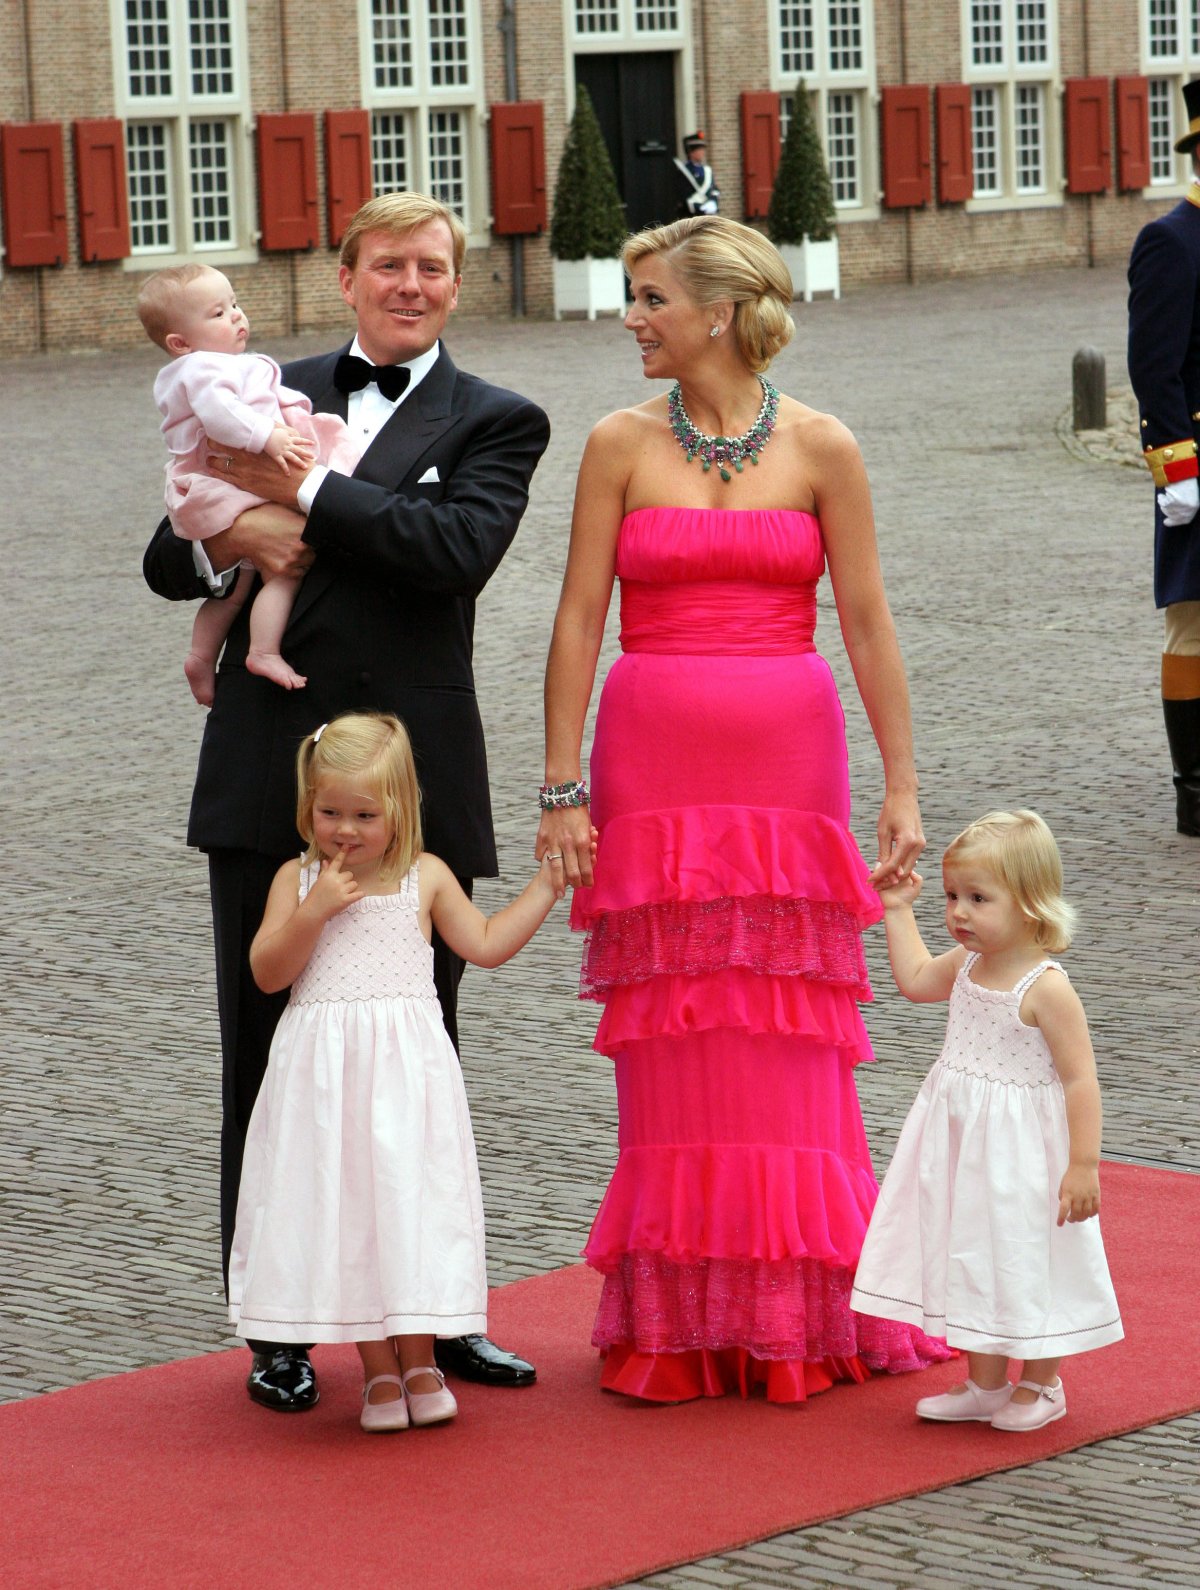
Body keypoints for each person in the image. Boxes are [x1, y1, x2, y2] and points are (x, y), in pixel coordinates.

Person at [143, 191, 551, 1412]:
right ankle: (277, 1328)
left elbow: (451, 552)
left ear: (455, 284)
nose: (409, 285)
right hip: (270, 772)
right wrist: (240, 542)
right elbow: (169, 554)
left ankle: (435, 1313)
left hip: (414, 784)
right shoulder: (256, 380)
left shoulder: (499, 419)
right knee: (261, 1054)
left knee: (419, 1055)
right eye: (388, 266)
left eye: (432, 267)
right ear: (346, 275)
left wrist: (302, 495)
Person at [538, 214, 950, 1402]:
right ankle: (679, 1324)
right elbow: (576, 620)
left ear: (715, 312)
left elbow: (869, 624)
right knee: (673, 1036)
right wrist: (563, 788)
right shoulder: (617, 442)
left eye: (650, 298)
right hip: (651, 770)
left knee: (785, 1030)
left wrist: (902, 786)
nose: (631, 318)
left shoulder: (826, 447)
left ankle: (806, 1310)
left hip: (789, 769)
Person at [229, 713, 568, 1431]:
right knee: (348, 1212)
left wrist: (545, 888)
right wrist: (311, 913)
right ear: (307, 806)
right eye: (329, 813)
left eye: (364, 815)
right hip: (325, 1086)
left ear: (400, 808)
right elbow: (265, 973)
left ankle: (421, 1359)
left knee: (409, 1210)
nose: (344, 830)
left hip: (407, 1081)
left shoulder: (427, 878)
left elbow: (483, 943)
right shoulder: (298, 878)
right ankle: (379, 1370)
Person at [851, 810, 1123, 1432]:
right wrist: (898, 909)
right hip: (962, 1142)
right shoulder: (968, 965)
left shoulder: (1046, 987)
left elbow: (1082, 1078)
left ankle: (1042, 1383)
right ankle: (984, 1382)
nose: (959, 912)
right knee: (968, 1247)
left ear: (1029, 905)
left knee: (1029, 1255)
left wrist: (1083, 1164)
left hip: (1025, 1152)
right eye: (952, 897)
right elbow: (917, 980)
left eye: (978, 898)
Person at [138, 264, 362, 706]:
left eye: (235, 305)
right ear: (180, 344)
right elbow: (222, 412)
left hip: (229, 486)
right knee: (282, 569)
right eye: (218, 313)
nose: (237, 316)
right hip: (230, 483)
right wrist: (270, 436)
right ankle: (261, 650)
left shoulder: (225, 365)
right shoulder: (202, 368)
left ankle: (202, 656)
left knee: (240, 584)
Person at [1127, 76, 1200, 837]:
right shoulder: (1172, 241)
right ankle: (1196, 791)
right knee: (1194, 629)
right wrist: (1179, 471)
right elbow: (1156, 367)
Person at [674, 132, 720, 219]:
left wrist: (713, 202)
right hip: (691, 216)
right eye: (699, 150)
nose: (702, 152)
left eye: (703, 149)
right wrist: (701, 208)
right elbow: (683, 195)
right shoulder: (684, 171)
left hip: (709, 215)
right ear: (691, 152)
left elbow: (714, 190)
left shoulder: (707, 170)